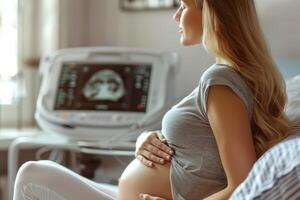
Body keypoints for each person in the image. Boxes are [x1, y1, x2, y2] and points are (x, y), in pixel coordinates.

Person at [13, 0, 291, 200]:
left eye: (183, 5)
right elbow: (205, 148)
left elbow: (242, 186)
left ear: (211, 10)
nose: (176, 16)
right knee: (36, 174)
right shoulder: (229, 79)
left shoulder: (221, 81)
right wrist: (146, 138)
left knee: (32, 175)